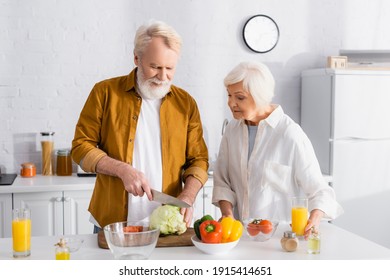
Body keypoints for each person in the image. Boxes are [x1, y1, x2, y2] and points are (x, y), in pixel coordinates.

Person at [71, 20, 209, 232]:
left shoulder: (186, 104)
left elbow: (198, 159)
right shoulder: (104, 93)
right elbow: (81, 148)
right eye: (154, 67)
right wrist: (122, 169)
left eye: (169, 68)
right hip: (111, 221)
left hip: (167, 223)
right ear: (136, 58)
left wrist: (188, 195)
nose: (163, 77)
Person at [212, 61, 343, 238]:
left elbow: (319, 190)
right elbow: (223, 182)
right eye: (229, 95)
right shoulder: (232, 130)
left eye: (239, 97)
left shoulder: (289, 133)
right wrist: (227, 216)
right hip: (239, 237)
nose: (231, 103)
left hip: (281, 240)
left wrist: (314, 219)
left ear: (259, 96)